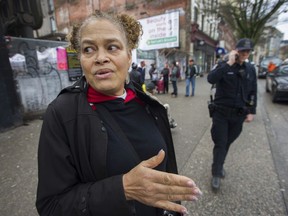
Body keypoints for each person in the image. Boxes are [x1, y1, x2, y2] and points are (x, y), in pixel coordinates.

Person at [36, 10, 202, 216]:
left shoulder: (148, 104)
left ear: (129, 55)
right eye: (88, 49)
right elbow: (51, 206)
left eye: (112, 47)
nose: (100, 58)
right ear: (80, 58)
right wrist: (122, 188)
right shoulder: (62, 114)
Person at [207, 38, 257, 191]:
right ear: (236, 50)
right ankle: (216, 173)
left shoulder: (250, 69)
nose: (245, 53)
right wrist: (228, 63)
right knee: (221, 143)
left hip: (238, 115)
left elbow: (253, 92)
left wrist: (251, 111)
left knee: (227, 143)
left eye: (248, 51)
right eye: (242, 50)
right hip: (221, 113)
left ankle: (219, 163)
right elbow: (211, 79)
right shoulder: (224, 65)